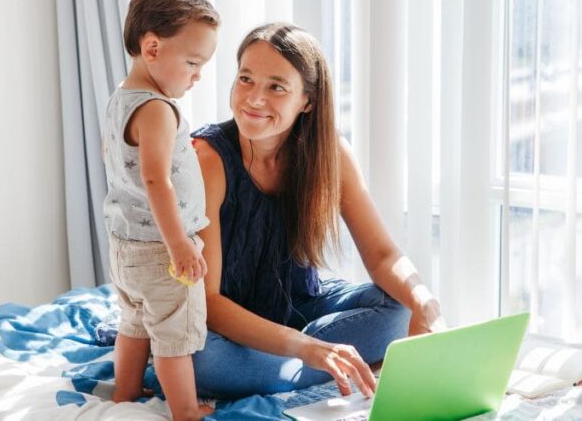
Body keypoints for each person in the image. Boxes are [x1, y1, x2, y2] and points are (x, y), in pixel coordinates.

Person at [191, 22, 447, 400]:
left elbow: (382, 254)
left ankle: (299, 364)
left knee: (399, 309)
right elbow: (208, 303)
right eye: (245, 79)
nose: (254, 98)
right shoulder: (208, 158)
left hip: (298, 307)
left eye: (276, 86)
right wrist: (308, 348)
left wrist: (425, 304)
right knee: (206, 363)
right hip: (228, 329)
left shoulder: (330, 153)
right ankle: (318, 361)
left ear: (307, 100)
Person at [101, 0, 218, 419]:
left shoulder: (122, 98)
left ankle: (125, 394)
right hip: (160, 248)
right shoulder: (156, 109)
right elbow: (156, 179)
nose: (198, 76)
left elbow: (109, 154)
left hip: (125, 244)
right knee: (174, 334)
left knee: (133, 324)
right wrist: (180, 246)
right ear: (152, 48)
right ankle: (185, 411)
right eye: (192, 63)